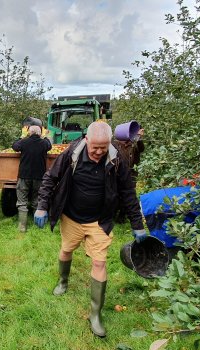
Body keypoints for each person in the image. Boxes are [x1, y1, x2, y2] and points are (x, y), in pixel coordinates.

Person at [34, 121, 148, 338]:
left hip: (99, 221)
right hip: (72, 217)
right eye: (94, 147)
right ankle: (63, 280)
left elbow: (128, 193)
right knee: (66, 250)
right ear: (86, 140)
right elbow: (50, 178)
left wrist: (137, 224)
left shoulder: (117, 160)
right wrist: (42, 206)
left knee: (99, 261)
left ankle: (95, 314)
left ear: (109, 144)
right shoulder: (71, 154)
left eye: (103, 147)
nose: (98, 151)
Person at [12, 122, 51, 232]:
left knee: (22, 201)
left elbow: (15, 146)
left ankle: (22, 226)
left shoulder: (24, 142)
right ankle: (38, 225)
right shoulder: (44, 143)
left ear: (29, 132)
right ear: (40, 133)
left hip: (24, 176)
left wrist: (22, 135)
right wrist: (45, 135)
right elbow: (49, 144)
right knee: (37, 200)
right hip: (39, 177)